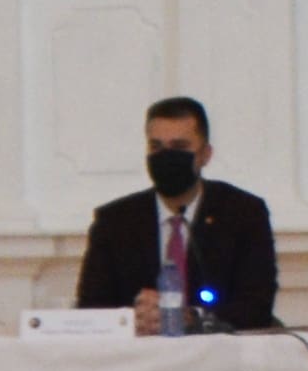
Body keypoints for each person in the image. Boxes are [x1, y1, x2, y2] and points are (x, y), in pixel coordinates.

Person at [74, 95, 280, 336]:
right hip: (137, 360)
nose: (166, 157)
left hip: (217, 359)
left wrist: (191, 317)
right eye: (156, 147)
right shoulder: (115, 221)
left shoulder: (243, 213)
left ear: (205, 155)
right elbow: (90, 309)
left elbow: (256, 306)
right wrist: (133, 318)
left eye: (179, 147)